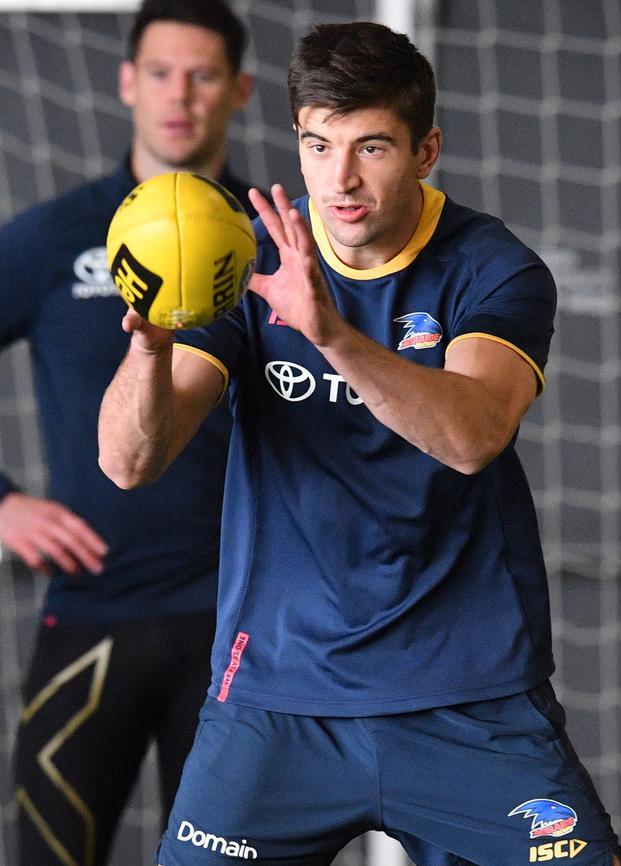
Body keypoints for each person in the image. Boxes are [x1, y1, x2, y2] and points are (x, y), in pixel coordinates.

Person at [98, 21, 621, 866]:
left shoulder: (494, 269)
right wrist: (152, 344)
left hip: (467, 695)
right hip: (277, 696)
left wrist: (332, 334)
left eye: (371, 147)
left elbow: (473, 434)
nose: (339, 180)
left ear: (426, 152)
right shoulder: (252, 256)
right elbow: (129, 463)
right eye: (318, 145)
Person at [0, 1, 258, 864]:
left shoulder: (277, 243)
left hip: (242, 636)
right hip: (91, 620)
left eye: (204, 74)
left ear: (240, 91)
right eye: (159, 72)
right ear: (126, 84)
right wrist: (1, 506)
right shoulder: (51, 239)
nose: (179, 95)